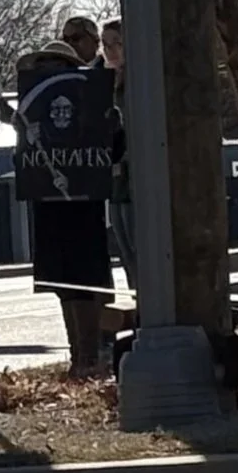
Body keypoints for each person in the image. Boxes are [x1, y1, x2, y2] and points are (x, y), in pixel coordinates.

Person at [13, 39, 114, 379]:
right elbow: (25, 160)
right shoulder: (32, 113)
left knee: (85, 284)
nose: (46, 71)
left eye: (54, 65)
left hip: (82, 207)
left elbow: (112, 149)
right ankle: (77, 357)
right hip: (49, 207)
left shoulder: (95, 106)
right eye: (42, 66)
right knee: (61, 283)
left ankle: (90, 356)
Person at [99, 18, 134, 291]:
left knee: (139, 245)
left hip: (137, 176)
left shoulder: (137, 84)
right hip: (115, 179)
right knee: (125, 252)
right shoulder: (103, 85)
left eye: (117, 43)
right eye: (106, 44)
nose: (111, 50)